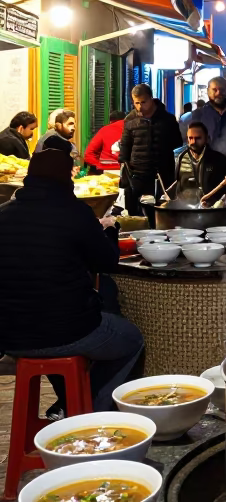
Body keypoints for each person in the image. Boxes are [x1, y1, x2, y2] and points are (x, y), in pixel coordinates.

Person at [0, 150, 144, 412]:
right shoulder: (74, 212)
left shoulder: (3, 214)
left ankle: (69, 402)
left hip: (11, 336)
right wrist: (110, 229)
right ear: (64, 176)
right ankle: (89, 409)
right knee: (131, 340)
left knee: (57, 347)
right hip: (67, 330)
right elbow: (107, 262)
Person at [118, 83, 182, 215]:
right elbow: (125, 145)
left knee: (163, 212)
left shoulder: (168, 119)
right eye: (136, 103)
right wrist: (126, 167)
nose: (140, 106)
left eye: (143, 102)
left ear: (151, 99)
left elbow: (177, 143)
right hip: (138, 174)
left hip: (163, 175)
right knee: (137, 214)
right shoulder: (130, 120)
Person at [174, 122, 226, 204]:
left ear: (207, 138)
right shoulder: (181, 158)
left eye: (198, 138)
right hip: (185, 210)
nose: (193, 141)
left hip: (211, 210)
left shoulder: (218, 159)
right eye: (190, 138)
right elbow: (177, 184)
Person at [193, 77, 226, 159]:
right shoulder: (198, 115)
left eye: (222, 90)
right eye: (215, 90)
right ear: (208, 91)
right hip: (206, 163)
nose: (219, 93)